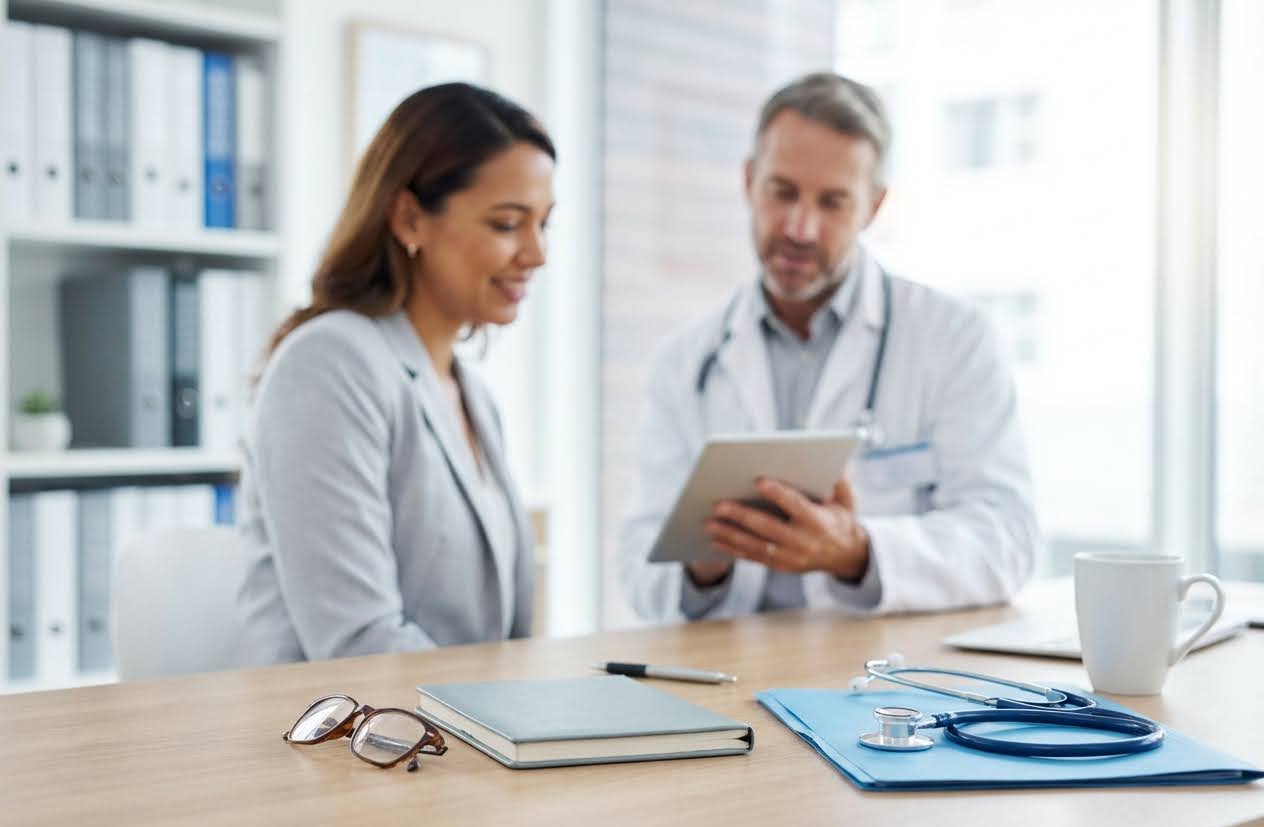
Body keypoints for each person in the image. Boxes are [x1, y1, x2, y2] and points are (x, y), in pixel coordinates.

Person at [618, 72, 1038, 622]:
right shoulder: (687, 362)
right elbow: (639, 566)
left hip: (886, 674)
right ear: (749, 181)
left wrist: (859, 552)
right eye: (782, 192)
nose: (800, 226)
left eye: (833, 202)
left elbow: (1006, 538)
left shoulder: (953, 340)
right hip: (728, 667)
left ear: (874, 206)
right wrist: (702, 566)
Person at [232, 83, 554, 664]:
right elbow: (360, 644)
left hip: (449, 734)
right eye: (508, 224)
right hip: (345, 740)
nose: (537, 254)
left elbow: (501, 642)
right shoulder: (329, 365)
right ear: (409, 218)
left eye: (543, 224)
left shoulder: (472, 395)